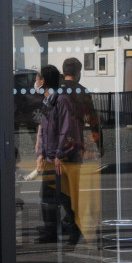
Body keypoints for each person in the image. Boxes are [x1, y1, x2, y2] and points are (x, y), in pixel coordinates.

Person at [33, 64, 83, 246]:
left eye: (37, 79)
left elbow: (66, 129)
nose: (35, 82)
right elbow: (45, 129)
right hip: (49, 157)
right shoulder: (48, 100)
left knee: (64, 196)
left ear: (44, 81)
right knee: (47, 196)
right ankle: (51, 231)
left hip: (62, 158)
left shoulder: (61, 100)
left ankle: (75, 228)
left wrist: (59, 155)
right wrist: (41, 153)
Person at [61, 57, 100, 247]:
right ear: (78, 73)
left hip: (56, 147)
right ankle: (73, 226)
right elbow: (92, 118)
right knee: (73, 188)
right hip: (75, 146)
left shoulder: (56, 90)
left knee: (57, 188)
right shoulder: (82, 92)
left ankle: (64, 223)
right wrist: (99, 144)